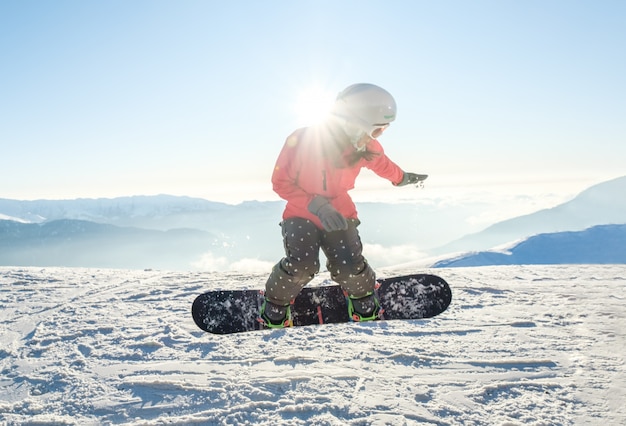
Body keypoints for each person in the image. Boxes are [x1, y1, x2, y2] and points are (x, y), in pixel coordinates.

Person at [260, 83, 425, 328]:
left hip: (340, 213)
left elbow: (383, 164)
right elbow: (280, 182)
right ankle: (275, 302)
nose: (376, 136)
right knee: (302, 266)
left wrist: (402, 178)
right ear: (359, 121)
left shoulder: (364, 146)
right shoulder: (301, 140)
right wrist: (316, 205)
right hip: (301, 213)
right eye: (378, 130)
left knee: (349, 267)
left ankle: (362, 296)